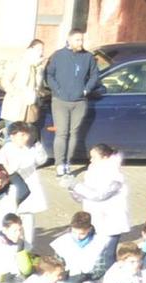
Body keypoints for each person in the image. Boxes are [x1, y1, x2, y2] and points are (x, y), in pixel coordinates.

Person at [44, 30, 100, 176]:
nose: (80, 43)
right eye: (77, 40)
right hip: (60, 101)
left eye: (81, 40)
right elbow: (49, 74)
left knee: (74, 133)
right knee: (62, 133)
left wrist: (86, 90)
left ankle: (68, 162)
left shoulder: (88, 57)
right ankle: (59, 164)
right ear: (69, 40)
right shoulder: (58, 56)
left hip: (79, 102)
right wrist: (57, 89)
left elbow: (95, 75)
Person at [0, 40, 45, 126]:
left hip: (30, 105)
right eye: (38, 49)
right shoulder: (19, 62)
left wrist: (38, 94)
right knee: (12, 133)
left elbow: (39, 86)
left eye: (42, 50)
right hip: (15, 104)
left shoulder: (39, 67)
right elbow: (6, 80)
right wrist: (15, 93)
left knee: (27, 135)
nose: (41, 52)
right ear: (31, 49)